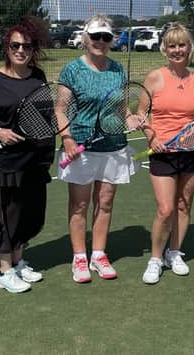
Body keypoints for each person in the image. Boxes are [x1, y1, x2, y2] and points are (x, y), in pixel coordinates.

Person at [0, 16, 54, 294]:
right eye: (15, 45)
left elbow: (43, 115)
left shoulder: (38, 77)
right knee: (8, 216)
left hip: (36, 161)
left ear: (34, 49)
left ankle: (18, 262)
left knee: (30, 217)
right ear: (7, 47)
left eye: (27, 46)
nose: (21, 50)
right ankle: (4, 270)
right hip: (6, 163)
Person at [57, 14, 138, 283]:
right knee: (79, 204)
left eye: (105, 37)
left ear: (111, 40)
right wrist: (67, 139)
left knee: (105, 202)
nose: (100, 42)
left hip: (113, 145)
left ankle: (99, 255)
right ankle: (79, 257)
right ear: (85, 38)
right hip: (81, 147)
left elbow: (122, 107)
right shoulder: (72, 70)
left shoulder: (117, 70)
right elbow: (61, 108)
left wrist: (131, 118)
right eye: (95, 36)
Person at [140, 23, 194, 284]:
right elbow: (142, 115)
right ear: (164, 49)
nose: (177, 50)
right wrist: (152, 137)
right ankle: (155, 259)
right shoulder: (155, 78)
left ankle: (174, 252)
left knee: (183, 205)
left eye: (181, 45)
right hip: (162, 152)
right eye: (172, 45)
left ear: (189, 48)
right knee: (166, 209)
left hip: (191, 153)